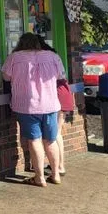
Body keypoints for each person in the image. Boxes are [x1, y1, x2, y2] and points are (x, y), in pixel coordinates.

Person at [3, 33, 66, 187]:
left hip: (27, 106)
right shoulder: (53, 56)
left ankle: (40, 178)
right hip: (50, 104)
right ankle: (56, 174)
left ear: (21, 43)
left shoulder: (14, 57)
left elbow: (6, 77)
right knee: (50, 140)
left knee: (35, 140)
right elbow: (61, 75)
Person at [38, 36, 74, 176]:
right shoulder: (54, 56)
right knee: (57, 132)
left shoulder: (44, 58)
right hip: (63, 92)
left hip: (57, 93)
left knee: (55, 133)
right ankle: (59, 165)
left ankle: (60, 166)